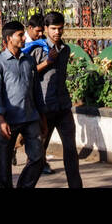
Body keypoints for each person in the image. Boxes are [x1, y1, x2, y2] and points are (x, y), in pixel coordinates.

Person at [0, 20, 46, 188]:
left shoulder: (29, 61)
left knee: (38, 158)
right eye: (20, 35)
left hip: (31, 117)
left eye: (23, 35)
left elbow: (36, 91)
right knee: (5, 161)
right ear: (9, 38)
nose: (23, 38)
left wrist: (42, 117)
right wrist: (1, 120)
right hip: (9, 120)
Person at [30, 11, 81, 187]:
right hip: (45, 109)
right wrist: (47, 62)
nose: (57, 32)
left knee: (71, 151)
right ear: (45, 29)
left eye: (60, 29)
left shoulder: (65, 50)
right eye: (53, 29)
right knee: (37, 155)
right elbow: (27, 74)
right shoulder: (38, 49)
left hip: (63, 107)